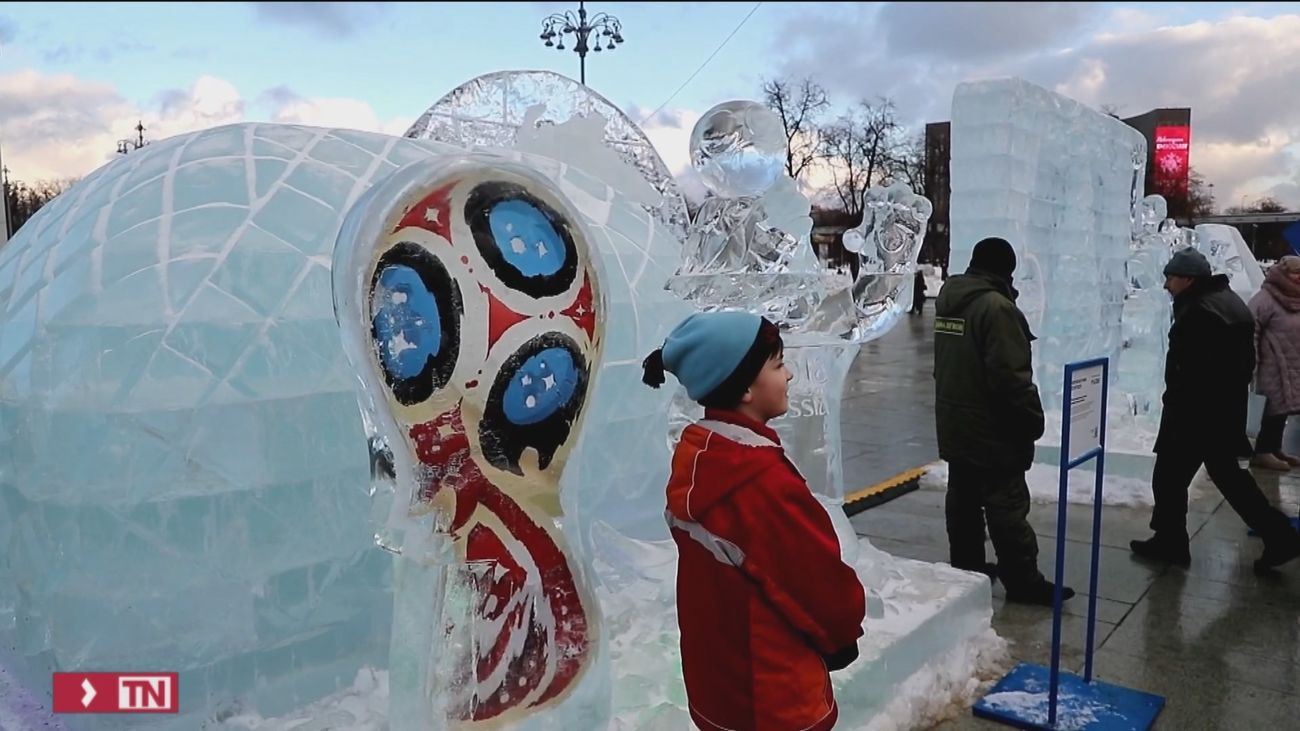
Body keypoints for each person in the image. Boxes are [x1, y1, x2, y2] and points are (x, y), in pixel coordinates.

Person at [642, 311, 866, 731]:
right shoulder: (758, 483)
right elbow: (815, 581)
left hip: (721, 686)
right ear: (745, 387)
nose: (790, 376)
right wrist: (842, 633)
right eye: (778, 365)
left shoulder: (701, 458)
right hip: (773, 691)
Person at [1130, 248, 1300, 570]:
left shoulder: (1199, 311)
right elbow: (1243, 361)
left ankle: (1171, 543)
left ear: (1188, 279)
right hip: (1223, 411)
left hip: (1196, 415)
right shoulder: (1228, 301)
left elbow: (1191, 370)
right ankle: (1278, 537)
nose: (1166, 284)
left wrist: (1177, 404)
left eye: (1171, 277)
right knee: (1229, 480)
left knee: (1169, 478)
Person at [933, 237, 1075, 606]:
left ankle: (967, 571)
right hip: (992, 429)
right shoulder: (996, 308)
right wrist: (1032, 419)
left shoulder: (951, 300)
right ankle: (1023, 581)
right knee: (1006, 506)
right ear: (1006, 270)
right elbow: (1010, 377)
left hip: (957, 420)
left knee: (962, 500)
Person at [1247, 256, 1300, 471]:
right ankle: (1262, 452)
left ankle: (1275, 449)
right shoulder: (1265, 299)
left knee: (1284, 409)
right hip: (1272, 364)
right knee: (1271, 409)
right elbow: (1251, 330)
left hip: (1293, 362)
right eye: (1296, 273)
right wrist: (1252, 362)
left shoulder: (1296, 298)